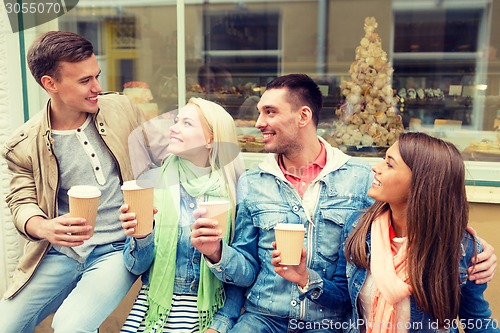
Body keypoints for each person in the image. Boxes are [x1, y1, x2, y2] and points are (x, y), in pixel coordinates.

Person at [190, 74, 497, 332]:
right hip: (264, 317)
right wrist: (217, 259)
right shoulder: (254, 182)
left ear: (303, 116)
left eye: (269, 112)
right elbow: (245, 268)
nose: (258, 123)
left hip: (329, 321)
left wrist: (471, 247)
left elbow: (426, 213)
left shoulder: (361, 179)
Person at [273, 132, 499, 333]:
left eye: (390, 164)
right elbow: (343, 299)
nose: (376, 167)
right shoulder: (358, 227)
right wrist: (304, 277)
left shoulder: (462, 250)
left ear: (421, 182)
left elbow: (476, 321)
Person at [0, 31, 145, 332]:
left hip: (117, 249)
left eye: (97, 76)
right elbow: (20, 201)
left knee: (70, 327)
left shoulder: (123, 110)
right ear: (49, 84)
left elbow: (159, 161)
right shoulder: (24, 143)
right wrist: (43, 227)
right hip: (60, 252)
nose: (97, 88)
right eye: (85, 81)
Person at [120, 97, 245, 333]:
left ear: (211, 139)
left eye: (187, 123)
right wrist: (142, 235)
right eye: (176, 121)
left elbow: (244, 275)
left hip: (208, 313)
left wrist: (220, 326)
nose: (173, 128)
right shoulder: (152, 183)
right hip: (153, 310)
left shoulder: (235, 190)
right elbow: (135, 267)